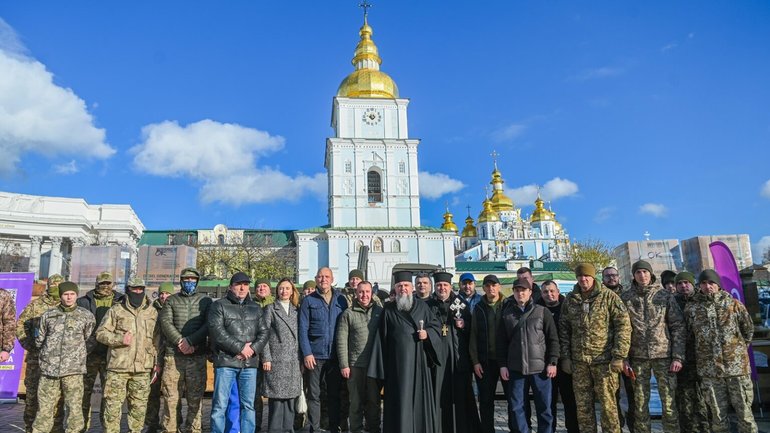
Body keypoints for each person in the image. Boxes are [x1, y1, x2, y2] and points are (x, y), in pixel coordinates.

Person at [367, 270, 442, 433]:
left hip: (420, 367)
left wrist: (427, 334)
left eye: (406, 285)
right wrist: (381, 370)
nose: (403, 289)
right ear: (395, 288)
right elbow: (381, 341)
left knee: (420, 404)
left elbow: (436, 327)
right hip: (397, 370)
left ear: (411, 287)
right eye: (400, 286)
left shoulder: (423, 307)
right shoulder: (388, 310)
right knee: (400, 405)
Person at [559, 263, 631, 433]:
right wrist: (566, 357)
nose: (583, 279)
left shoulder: (609, 297)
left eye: (587, 276)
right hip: (579, 363)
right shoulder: (571, 299)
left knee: (608, 407)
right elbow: (563, 328)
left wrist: (619, 356)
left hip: (604, 362)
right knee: (583, 408)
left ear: (593, 277)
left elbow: (623, 326)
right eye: (580, 276)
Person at [684, 269, 758, 433]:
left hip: (736, 370)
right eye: (703, 283)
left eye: (711, 283)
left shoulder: (734, 305)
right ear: (699, 286)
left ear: (718, 285)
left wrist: (736, 352)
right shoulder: (692, 309)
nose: (708, 286)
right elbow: (689, 336)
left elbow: (748, 330)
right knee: (717, 416)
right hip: (710, 372)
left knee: (745, 414)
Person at [619, 260, 684, 433]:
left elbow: (677, 326)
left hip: (664, 356)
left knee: (669, 403)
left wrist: (677, 356)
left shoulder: (664, 296)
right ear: (634, 275)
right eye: (638, 272)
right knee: (640, 405)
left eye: (645, 272)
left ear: (651, 274)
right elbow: (621, 330)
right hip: (638, 357)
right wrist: (624, 358)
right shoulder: (626, 298)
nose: (642, 275)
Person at [96, 277, 160, 433]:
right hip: (118, 368)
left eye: (140, 289)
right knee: (112, 409)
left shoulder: (152, 312)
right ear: (127, 290)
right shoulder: (116, 310)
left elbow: (157, 340)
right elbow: (100, 333)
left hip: (142, 369)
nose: (137, 292)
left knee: (138, 411)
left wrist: (156, 363)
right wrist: (119, 339)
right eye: (134, 289)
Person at [208, 272, 269, 433]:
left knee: (248, 405)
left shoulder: (255, 308)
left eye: (246, 284)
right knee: (220, 405)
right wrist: (240, 348)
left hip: (249, 364)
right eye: (238, 284)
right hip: (226, 362)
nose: (242, 288)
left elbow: (264, 333)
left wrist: (252, 349)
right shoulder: (219, 305)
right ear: (231, 287)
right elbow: (217, 332)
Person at [32, 282, 95, 433]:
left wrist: (77, 356)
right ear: (60, 295)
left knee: (74, 410)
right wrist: (48, 355)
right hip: (49, 371)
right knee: (45, 410)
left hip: (73, 371)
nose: (69, 297)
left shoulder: (85, 316)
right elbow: (39, 339)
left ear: (76, 295)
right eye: (66, 294)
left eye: (72, 294)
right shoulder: (48, 315)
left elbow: (91, 341)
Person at [499, 278, 559, 433]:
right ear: (513, 292)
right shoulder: (507, 314)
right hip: (516, 369)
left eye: (523, 290)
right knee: (517, 407)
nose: (520, 293)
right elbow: (501, 343)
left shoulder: (542, 311)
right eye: (517, 290)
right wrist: (503, 365)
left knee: (544, 407)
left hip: (540, 369)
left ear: (530, 292)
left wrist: (552, 362)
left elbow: (553, 338)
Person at [158, 267, 212, 433]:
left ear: (197, 281)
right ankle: (170, 429)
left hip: (197, 355)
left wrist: (191, 341)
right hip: (173, 357)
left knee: (195, 398)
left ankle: (193, 429)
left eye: (193, 280)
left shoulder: (205, 301)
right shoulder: (171, 301)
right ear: (181, 281)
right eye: (186, 280)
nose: (189, 282)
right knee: (171, 398)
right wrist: (180, 341)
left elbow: (208, 324)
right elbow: (166, 322)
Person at [426, 271, 479, 433]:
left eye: (445, 285)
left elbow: (473, 332)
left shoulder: (460, 303)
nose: (442, 288)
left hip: (457, 358)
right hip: (436, 360)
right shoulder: (428, 305)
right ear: (435, 287)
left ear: (451, 287)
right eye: (439, 285)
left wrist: (464, 326)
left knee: (461, 396)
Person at [298, 267, 348, 433]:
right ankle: (315, 428)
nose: (323, 279)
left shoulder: (341, 300)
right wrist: (307, 353)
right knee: (314, 395)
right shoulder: (308, 301)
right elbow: (302, 330)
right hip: (315, 355)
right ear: (316, 279)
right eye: (320, 277)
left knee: (334, 395)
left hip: (335, 356)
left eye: (326, 276)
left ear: (332, 279)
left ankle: (334, 427)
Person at [17, 274, 65, 433]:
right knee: (32, 399)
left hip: (60, 363)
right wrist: (30, 346)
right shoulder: (35, 306)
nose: (56, 290)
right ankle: (30, 429)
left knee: (57, 401)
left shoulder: (68, 307)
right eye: (53, 287)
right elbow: (20, 326)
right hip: (36, 362)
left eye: (59, 287)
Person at [77, 271, 123, 430]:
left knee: (109, 396)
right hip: (89, 355)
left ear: (113, 284)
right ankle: (81, 427)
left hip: (111, 355)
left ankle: (107, 428)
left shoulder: (121, 300)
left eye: (108, 283)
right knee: (83, 393)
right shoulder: (83, 301)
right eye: (102, 283)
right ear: (96, 284)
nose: (105, 286)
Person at [337, 281, 383, 433]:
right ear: (356, 294)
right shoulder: (348, 314)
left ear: (372, 293)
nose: (364, 295)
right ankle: (356, 429)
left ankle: (373, 429)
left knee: (374, 402)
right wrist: (344, 365)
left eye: (367, 292)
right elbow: (341, 341)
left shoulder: (379, 311)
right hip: (355, 365)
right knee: (355, 403)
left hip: (374, 365)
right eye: (361, 292)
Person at [469, 274, 511, 433]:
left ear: (499, 287)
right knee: (486, 401)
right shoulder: (478, 308)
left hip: (506, 361)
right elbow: (473, 335)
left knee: (512, 400)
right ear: (483, 288)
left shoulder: (507, 305)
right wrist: (475, 361)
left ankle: (514, 428)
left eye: (494, 285)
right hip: (485, 361)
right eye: (487, 286)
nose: (491, 288)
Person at [536, 280, 578, 433]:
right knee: (548, 402)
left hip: (566, 360)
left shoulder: (568, 307)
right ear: (541, 294)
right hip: (545, 362)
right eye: (546, 292)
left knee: (570, 400)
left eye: (552, 291)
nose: (549, 294)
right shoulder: (536, 308)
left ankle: (573, 429)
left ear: (558, 291)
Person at [261, 278, 303, 433]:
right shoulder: (270, 309)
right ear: (277, 291)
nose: (284, 291)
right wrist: (266, 357)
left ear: (292, 291)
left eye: (287, 288)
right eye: (281, 288)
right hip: (276, 360)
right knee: (277, 400)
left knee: (291, 399)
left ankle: (288, 429)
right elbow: (263, 335)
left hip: (293, 361)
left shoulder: (297, 310)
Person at [672, 271, 709, 433]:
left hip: (702, 358)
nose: (683, 286)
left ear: (693, 284)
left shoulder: (702, 301)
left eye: (686, 282)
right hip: (681, 358)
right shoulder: (671, 302)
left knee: (705, 399)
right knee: (685, 400)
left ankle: (706, 428)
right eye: (679, 283)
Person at [601, 266, 632, 430]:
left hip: (630, 353)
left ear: (619, 277)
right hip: (606, 355)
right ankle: (617, 426)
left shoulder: (628, 295)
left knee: (633, 395)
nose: (611, 278)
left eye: (614, 275)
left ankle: (633, 426)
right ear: (602, 279)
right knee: (612, 397)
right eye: (607, 276)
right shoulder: (599, 297)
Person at [145, 282, 177, 433]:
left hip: (171, 355)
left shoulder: (175, 308)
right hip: (154, 355)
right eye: (162, 293)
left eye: (167, 293)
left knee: (171, 393)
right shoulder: (151, 310)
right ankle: (151, 424)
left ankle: (173, 424)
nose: (164, 296)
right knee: (152, 392)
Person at [253, 277, 275, 431]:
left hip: (274, 354)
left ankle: (276, 425)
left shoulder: (276, 303)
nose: (262, 288)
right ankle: (256, 424)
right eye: (259, 286)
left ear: (270, 289)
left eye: (264, 286)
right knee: (254, 393)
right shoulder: (250, 305)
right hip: (254, 354)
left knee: (276, 391)